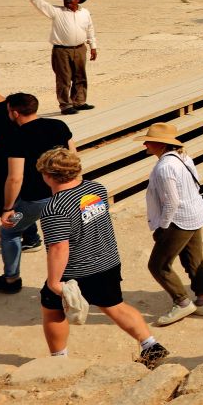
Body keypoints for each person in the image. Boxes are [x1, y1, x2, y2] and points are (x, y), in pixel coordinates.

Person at [34, 146, 169, 366]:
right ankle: (151, 345)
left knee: (52, 309)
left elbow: (59, 248)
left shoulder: (54, 207)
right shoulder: (96, 189)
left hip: (78, 270)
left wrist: (54, 282)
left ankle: (59, 362)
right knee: (115, 305)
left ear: (48, 176)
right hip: (108, 261)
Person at [0, 92, 72, 293]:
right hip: (64, 192)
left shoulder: (16, 136)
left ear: (14, 112)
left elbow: (15, 178)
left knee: (9, 231)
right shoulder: (58, 125)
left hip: (35, 200)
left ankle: (11, 279)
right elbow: (73, 157)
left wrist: (8, 208)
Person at [142, 122, 203, 326]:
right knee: (194, 260)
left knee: (158, 265)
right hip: (195, 213)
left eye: (149, 141)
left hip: (178, 220)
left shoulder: (164, 167)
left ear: (160, 144)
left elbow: (171, 202)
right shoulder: (184, 157)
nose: (145, 144)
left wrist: (163, 227)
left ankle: (182, 302)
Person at [22, 0, 97, 114]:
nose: (67, 1)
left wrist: (93, 46)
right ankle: (66, 105)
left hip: (80, 48)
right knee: (64, 78)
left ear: (78, 0)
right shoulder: (57, 11)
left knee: (80, 76)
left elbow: (90, 29)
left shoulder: (85, 12)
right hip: (61, 50)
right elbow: (42, 5)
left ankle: (79, 102)